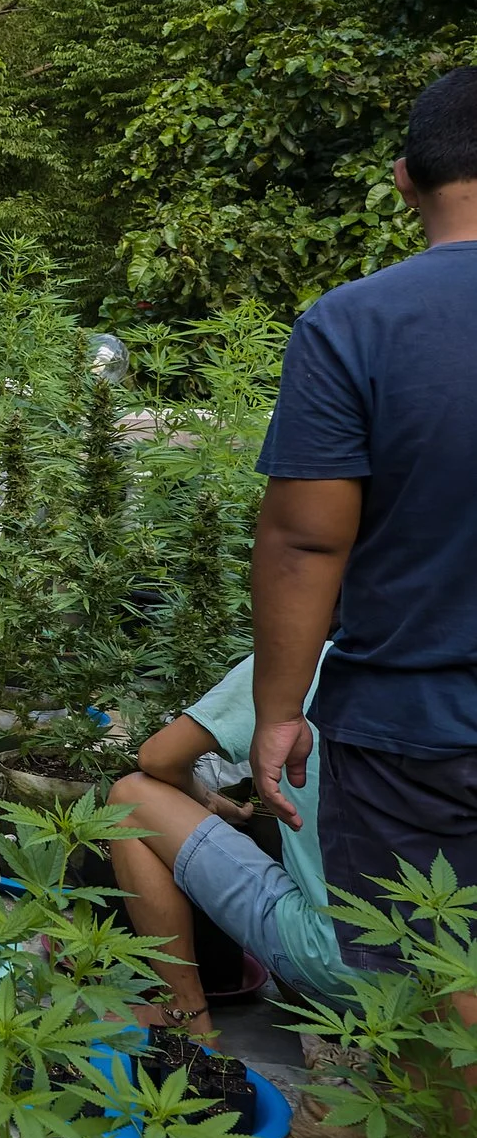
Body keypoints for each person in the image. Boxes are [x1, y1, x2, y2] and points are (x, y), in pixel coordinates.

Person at [251, 67, 477, 998]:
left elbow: (307, 542)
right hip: (409, 728)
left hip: (411, 732)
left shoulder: (356, 326)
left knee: (428, 985)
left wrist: (276, 712)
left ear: (403, 180)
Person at [108, 649, 351, 1038]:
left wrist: (205, 798)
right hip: (441, 987)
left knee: (131, 798)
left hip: (335, 958)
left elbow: (159, 757)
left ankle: (185, 1011)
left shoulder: (306, 661)